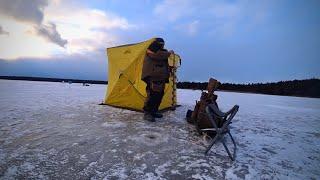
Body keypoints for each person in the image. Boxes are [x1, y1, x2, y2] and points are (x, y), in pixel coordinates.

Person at [141, 38, 174, 122]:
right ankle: (148, 113)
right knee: (153, 94)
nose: (163, 45)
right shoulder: (151, 50)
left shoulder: (160, 51)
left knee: (159, 95)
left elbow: (160, 61)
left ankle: (153, 111)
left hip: (159, 77)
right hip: (153, 76)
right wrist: (169, 53)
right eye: (162, 44)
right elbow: (157, 55)